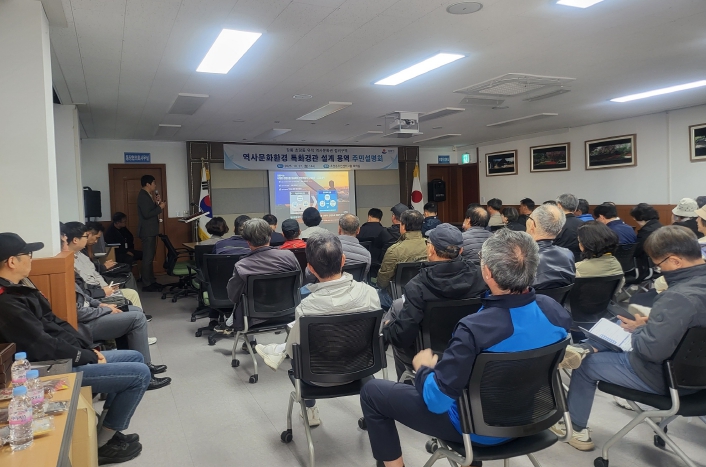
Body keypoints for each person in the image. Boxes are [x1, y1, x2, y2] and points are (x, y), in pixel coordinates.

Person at [360, 229, 572, 467]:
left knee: (372, 392)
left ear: (487, 272)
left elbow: (437, 401)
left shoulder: (473, 330)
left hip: (478, 430)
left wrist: (423, 370)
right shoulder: (554, 311)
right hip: (533, 417)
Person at [0, 232, 150, 464]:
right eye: (28, 254)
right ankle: (101, 446)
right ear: (12, 261)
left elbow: (56, 323)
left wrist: (87, 349)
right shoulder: (6, 302)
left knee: (135, 357)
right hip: (42, 369)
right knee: (140, 375)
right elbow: (43, 345)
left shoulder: (20, 288)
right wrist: (85, 356)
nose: (31, 258)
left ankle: (105, 431)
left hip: (61, 356)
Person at [553, 226, 706, 451]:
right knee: (619, 326)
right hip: (696, 372)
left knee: (587, 364)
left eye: (659, 265)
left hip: (667, 378)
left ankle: (576, 428)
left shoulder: (677, 297)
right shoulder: (691, 291)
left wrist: (641, 330)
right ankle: (588, 347)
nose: (659, 270)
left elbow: (649, 351)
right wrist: (650, 324)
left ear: (675, 261)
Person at [255, 232, 381, 426]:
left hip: (317, 378)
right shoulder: (370, 293)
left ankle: (310, 410)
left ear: (311, 269)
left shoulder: (307, 307)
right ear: (343, 260)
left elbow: (295, 352)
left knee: (295, 350)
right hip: (362, 370)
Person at [383, 224, 487, 379]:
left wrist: (388, 329)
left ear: (431, 249)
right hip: (470, 352)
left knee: (396, 327)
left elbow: (403, 337)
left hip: (430, 358)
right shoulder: (481, 277)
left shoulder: (417, 286)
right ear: (461, 251)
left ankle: (408, 386)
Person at [74, 274, 171, 390]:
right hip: (84, 326)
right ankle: (146, 376)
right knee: (137, 319)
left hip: (91, 315)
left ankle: (142, 366)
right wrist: (105, 310)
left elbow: (85, 296)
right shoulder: (61, 281)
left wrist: (101, 304)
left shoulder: (67, 275)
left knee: (135, 310)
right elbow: (79, 313)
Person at [221, 219, 301, 333]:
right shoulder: (289, 256)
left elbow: (233, 296)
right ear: (270, 237)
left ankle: (236, 330)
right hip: (289, 314)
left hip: (253, 319)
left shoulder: (242, 265)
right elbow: (299, 283)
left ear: (247, 242)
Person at [64, 222, 143, 310]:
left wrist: (106, 287)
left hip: (99, 289)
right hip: (94, 296)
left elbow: (94, 273)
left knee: (131, 292)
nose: (87, 239)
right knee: (131, 296)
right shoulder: (68, 262)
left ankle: (136, 313)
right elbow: (84, 289)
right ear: (75, 240)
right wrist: (103, 290)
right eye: (85, 236)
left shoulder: (81, 254)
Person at [376, 210, 427, 309]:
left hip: (398, 297)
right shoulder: (431, 247)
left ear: (403, 226)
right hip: (423, 296)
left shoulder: (394, 250)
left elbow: (382, 283)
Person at [525, 204, 575, 289]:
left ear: (532, 224)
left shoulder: (521, 258)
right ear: (560, 230)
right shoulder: (568, 255)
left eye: (529, 218)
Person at [136, 175, 165, 292]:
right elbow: (147, 214)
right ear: (148, 184)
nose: (155, 185)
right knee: (147, 258)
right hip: (147, 231)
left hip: (151, 231)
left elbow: (149, 210)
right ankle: (147, 284)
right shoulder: (143, 195)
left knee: (150, 257)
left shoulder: (148, 195)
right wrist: (160, 208)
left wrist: (157, 204)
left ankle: (151, 281)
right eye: (154, 183)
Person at [630, 203, 663, 275]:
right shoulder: (661, 226)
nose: (634, 219)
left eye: (634, 218)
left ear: (640, 218)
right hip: (661, 263)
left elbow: (636, 252)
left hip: (647, 267)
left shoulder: (646, 232)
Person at [337, 214, 371, 278]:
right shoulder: (367, 254)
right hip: (356, 284)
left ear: (339, 229)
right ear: (358, 230)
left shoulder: (328, 251)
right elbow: (364, 276)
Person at [554, 193, 583, 261]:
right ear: (575, 208)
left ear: (559, 206)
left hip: (558, 260)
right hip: (579, 261)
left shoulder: (555, 224)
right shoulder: (583, 224)